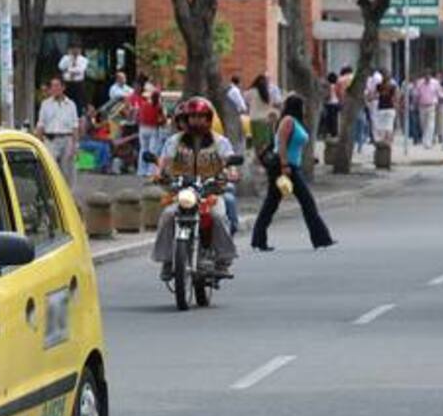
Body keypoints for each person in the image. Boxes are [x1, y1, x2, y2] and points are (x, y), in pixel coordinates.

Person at [152, 98, 238, 279]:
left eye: (201, 117)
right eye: (192, 117)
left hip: (210, 192)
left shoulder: (220, 142)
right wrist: (159, 173)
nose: (196, 121)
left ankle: (223, 259)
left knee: (218, 216)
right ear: (186, 119)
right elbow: (164, 162)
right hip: (182, 192)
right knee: (168, 215)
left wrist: (231, 172)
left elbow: (230, 161)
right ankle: (167, 260)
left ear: (208, 119)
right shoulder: (174, 141)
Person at [250, 94, 335, 252]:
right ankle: (322, 238)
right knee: (306, 202)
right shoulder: (288, 120)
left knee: (272, 204)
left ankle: (258, 240)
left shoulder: (296, 122)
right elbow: (281, 144)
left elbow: (297, 145)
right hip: (284, 167)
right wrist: (284, 165)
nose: (304, 109)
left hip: (292, 166)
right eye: (302, 106)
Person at [36, 75, 79, 184]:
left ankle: (68, 195)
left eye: (57, 86)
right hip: (50, 139)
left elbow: (75, 126)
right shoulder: (45, 104)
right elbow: (41, 124)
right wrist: (38, 142)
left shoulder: (71, 104)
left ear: (63, 87)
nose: (54, 89)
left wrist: (76, 144)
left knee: (67, 170)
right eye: (52, 86)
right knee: (50, 168)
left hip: (67, 138)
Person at [133, 83, 166, 177]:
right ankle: (150, 171)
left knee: (143, 149)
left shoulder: (144, 104)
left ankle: (141, 171)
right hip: (153, 129)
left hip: (142, 129)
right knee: (153, 150)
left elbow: (138, 116)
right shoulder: (159, 106)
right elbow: (163, 119)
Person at [245, 73, 280, 152]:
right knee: (264, 142)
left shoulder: (251, 92)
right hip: (265, 119)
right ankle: (263, 158)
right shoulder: (268, 93)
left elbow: (245, 99)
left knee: (256, 142)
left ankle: (257, 158)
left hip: (253, 119)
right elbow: (275, 103)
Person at [78, 106, 114, 173]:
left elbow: (95, 130)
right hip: (82, 142)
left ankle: (104, 166)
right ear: (86, 112)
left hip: (89, 141)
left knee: (105, 145)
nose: (94, 113)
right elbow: (83, 136)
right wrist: (97, 139)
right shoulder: (83, 120)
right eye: (91, 111)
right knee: (100, 146)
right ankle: (98, 166)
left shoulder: (91, 120)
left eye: (94, 111)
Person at [58, 43, 89, 113]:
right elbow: (61, 67)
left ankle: (78, 116)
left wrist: (68, 70)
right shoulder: (65, 58)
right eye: (73, 49)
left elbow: (80, 70)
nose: (75, 51)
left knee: (78, 103)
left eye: (77, 49)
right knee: (66, 102)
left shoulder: (83, 60)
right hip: (67, 83)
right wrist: (69, 59)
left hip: (78, 84)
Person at [414, 71, 440, 148]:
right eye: (426, 76)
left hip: (431, 105)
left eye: (428, 76)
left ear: (430, 76)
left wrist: (439, 101)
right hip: (422, 106)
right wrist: (415, 103)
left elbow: (439, 93)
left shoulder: (435, 83)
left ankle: (428, 142)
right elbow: (416, 94)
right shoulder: (420, 83)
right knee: (423, 124)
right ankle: (425, 139)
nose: (427, 78)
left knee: (431, 125)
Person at [372, 76, 398, 144]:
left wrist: (372, 98)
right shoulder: (392, 87)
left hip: (381, 108)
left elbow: (373, 95)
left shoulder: (379, 86)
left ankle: (383, 141)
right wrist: (396, 106)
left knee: (381, 126)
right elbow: (395, 98)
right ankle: (388, 141)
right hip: (390, 108)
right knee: (389, 126)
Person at [321, 72, 340, 138]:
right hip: (336, 103)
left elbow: (327, 95)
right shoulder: (337, 85)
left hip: (329, 104)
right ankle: (334, 132)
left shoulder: (328, 86)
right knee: (335, 119)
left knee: (328, 119)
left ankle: (328, 132)